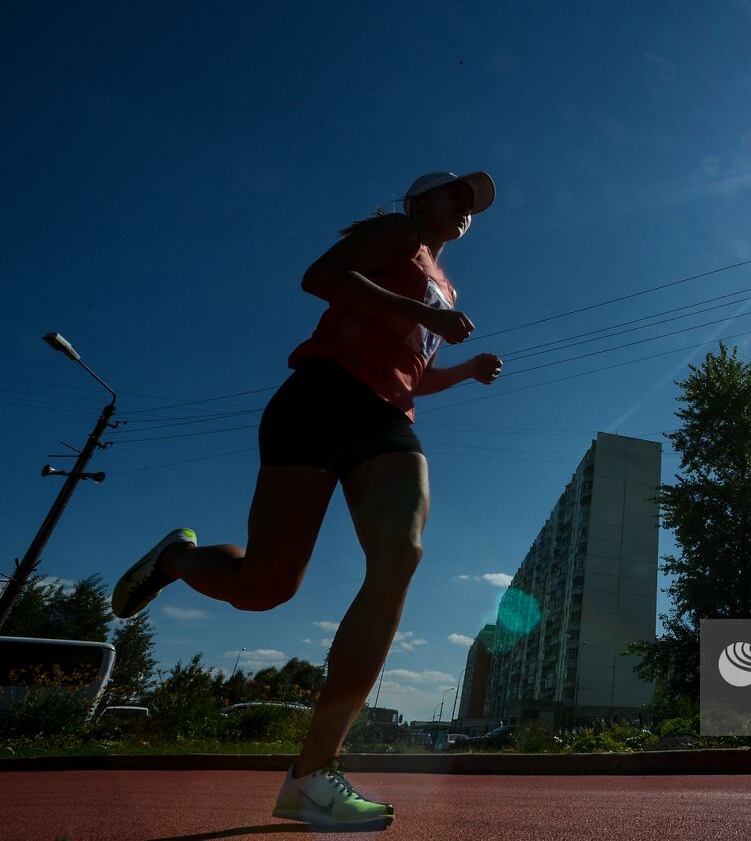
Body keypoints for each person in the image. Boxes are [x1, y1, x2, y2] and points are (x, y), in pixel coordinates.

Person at [111, 169, 503, 828]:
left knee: (400, 553)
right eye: (455, 194)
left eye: (473, 205)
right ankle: (176, 560)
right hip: (322, 397)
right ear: (421, 200)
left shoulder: (447, 281)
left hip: (388, 421)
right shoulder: (397, 233)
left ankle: (313, 772)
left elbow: (414, 369)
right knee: (266, 587)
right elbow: (321, 278)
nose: (466, 207)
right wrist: (422, 310)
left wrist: (464, 369)